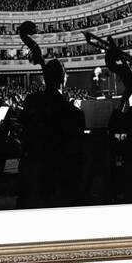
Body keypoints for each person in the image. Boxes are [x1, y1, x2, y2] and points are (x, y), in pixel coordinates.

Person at [17, 59, 85, 209]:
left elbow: (23, 129)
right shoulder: (74, 113)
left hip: (30, 174)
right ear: (64, 79)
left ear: (44, 79)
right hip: (58, 179)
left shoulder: (31, 101)